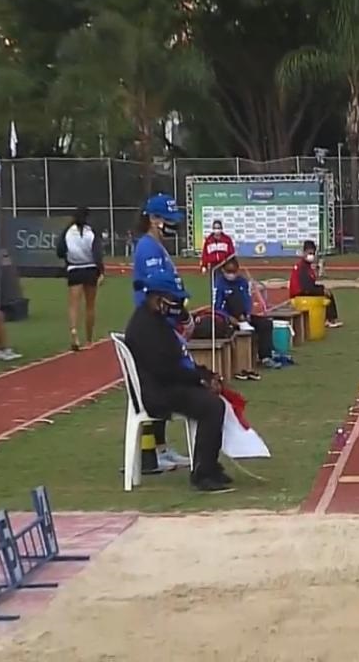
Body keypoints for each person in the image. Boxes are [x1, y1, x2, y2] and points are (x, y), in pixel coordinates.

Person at [124, 270, 233, 493]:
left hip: (165, 383)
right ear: (158, 298)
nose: (178, 305)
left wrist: (205, 375)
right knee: (212, 406)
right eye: (174, 299)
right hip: (157, 392)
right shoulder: (146, 327)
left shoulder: (157, 320)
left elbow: (178, 362)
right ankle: (203, 473)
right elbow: (166, 369)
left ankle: (210, 466)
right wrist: (200, 379)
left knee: (213, 400)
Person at [131, 193, 193, 471]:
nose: (172, 226)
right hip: (154, 327)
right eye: (168, 220)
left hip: (165, 324)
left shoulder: (157, 246)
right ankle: (153, 452)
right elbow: (157, 291)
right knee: (166, 380)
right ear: (154, 219)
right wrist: (178, 314)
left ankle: (162, 448)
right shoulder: (147, 248)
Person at [213, 256, 280, 379]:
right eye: (229, 272)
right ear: (223, 270)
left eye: (234, 272)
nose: (231, 275)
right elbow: (216, 307)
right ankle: (237, 362)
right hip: (227, 318)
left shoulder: (243, 282)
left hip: (244, 317)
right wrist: (229, 318)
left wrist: (248, 314)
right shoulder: (219, 284)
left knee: (265, 324)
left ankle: (265, 357)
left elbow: (247, 300)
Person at [57, 206, 104, 351]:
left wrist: (68, 258)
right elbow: (97, 253)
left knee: (73, 305)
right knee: (90, 306)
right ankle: (89, 340)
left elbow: (60, 251)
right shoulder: (91, 232)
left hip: (74, 269)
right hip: (90, 269)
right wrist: (101, 271)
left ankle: (74, 333)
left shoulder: (68, 231)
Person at [287, 240, 342, 327]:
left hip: (304, 290)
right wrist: (321, 290)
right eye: (309, 253)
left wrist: (322, 288)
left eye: (313, 253)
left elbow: (310, 284)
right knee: (326, 293)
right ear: (304, 252)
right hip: (299, 294)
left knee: (326, 291)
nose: (311, 256)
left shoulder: (307, 266)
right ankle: (329, 319)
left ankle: (329, 318)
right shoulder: (302, 267)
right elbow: (306, 287)